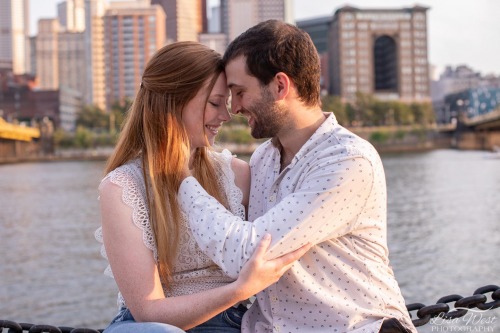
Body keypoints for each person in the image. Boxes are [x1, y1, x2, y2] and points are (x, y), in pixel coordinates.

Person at [177, 21, 417, 333]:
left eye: (239, 92)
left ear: (280, 86)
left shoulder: (348, 161)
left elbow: (247, 254)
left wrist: (182, 180)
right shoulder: (263, 158)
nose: (234, 108)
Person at [95, 41, 311, 333]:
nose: (226, 115)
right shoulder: (122, 188)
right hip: (153, 328)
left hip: (234, 323)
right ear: (174, 100)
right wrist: (240, 290)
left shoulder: (238, 175)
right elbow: (148, 311)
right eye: (214, 103)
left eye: (227, 102)